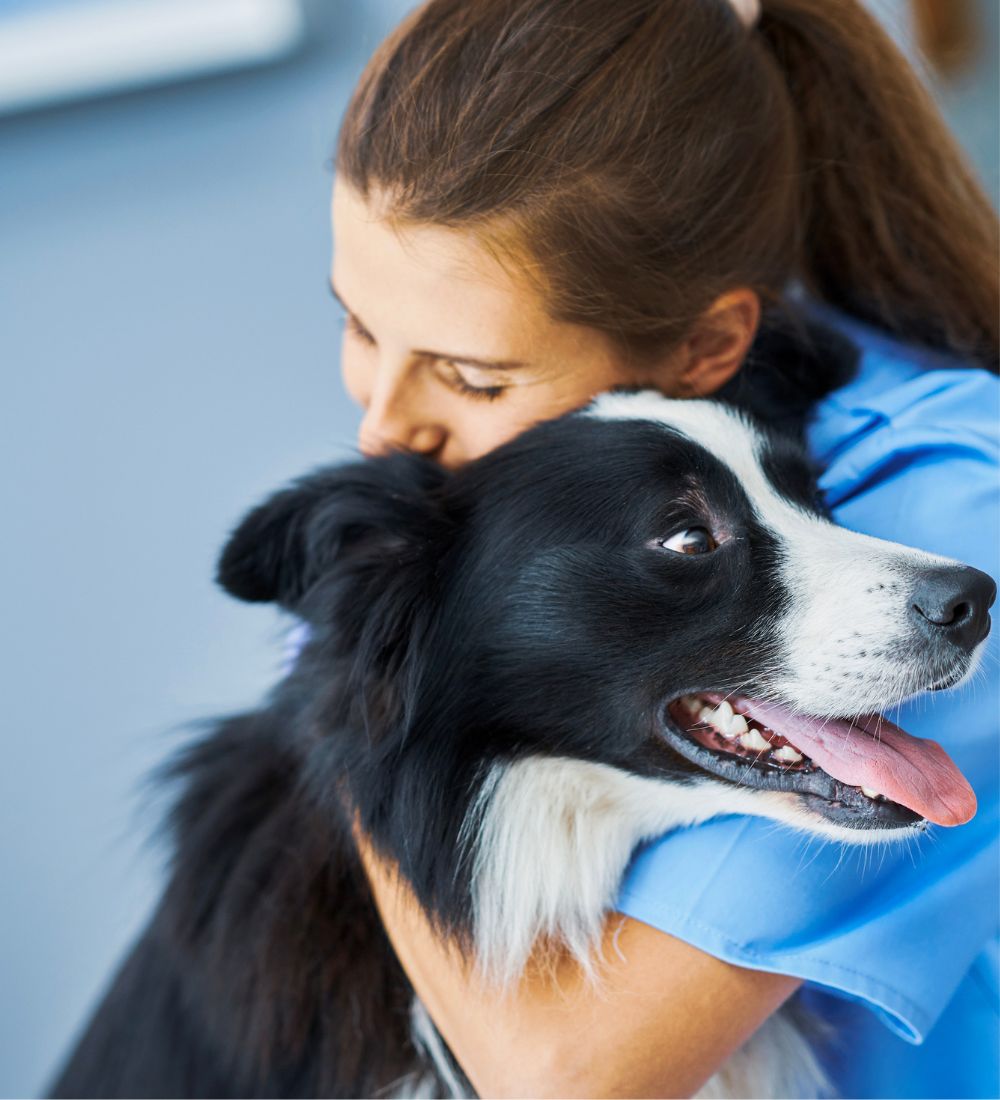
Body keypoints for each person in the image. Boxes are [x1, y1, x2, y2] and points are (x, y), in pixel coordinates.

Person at [318, 0, 1000, 1094]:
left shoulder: (960, 506)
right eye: (356, 324)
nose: (380, 426)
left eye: (472, 377)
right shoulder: (570, 484)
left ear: (706, 346)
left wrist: (365, 703)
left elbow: (569, 1077)